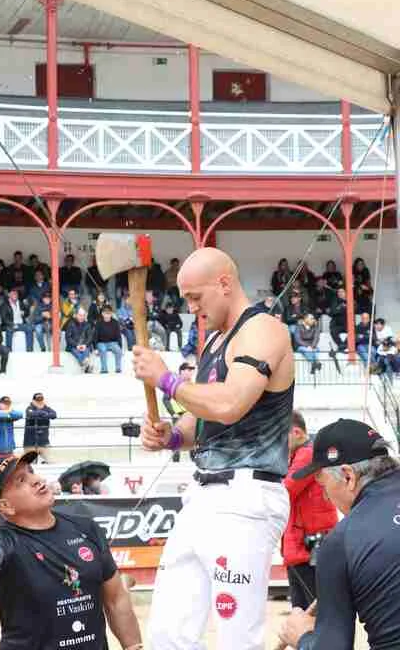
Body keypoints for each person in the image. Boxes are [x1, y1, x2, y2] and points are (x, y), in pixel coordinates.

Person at [133, 246, 294, 650]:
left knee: (237, 635)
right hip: (204, 492)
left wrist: (167, 380)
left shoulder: (263, 329)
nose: (192, 309)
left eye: (194, 297)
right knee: (168, 632)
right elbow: (202, 420)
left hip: (246, 494)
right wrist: (171, 437)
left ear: (224, 283)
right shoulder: (216, 342)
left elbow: (229, 403)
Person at [0, 434, 142, 650]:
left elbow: (116, 599)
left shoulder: (86, 528)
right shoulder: (6, 544)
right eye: (21, 481)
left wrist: (134, 647)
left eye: (31, 472)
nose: (36, 480)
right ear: (6, 506)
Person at [279, 419, 400, 650]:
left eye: (323, 486)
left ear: (348, 476)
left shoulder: (342, 541)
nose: (326, 497)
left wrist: (303, 637)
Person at [282, 412, 337, 610]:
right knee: (306, 608)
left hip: (306, 546)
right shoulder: (306, 453)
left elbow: (285, 490)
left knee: (310, 610)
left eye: (281, 436)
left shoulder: (306, 455)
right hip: (306, 543)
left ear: (296, 432)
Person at [162, 362, 195, 463]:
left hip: (191, 415)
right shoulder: (175, 383)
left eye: (192, 370)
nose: (191, 372)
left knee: (193, 436)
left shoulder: (193, 385)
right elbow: (165, 399)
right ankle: (175, 461)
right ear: (182, 371)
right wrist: (172, 412)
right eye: (188, 370)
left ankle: (193, 460)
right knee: (177, 436)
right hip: (178, 415)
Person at [23, 392, 57, 462]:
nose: (40, 401)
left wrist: (42, 413)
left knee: (51, 462)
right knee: (29, 464)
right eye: (37, 399)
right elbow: (31, 414)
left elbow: (54, 415)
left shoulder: (47, 408)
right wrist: (43, 413)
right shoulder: (29, 408)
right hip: (30, 443)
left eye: (41, 399)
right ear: (33, 401)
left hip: (43, 442)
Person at [0, 396, 23, 461]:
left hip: (9, 449)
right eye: (4, 404)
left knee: (9, 466)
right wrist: (8, 412)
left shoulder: (10, 414)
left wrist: (8, 412)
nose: (6, 406)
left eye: (8, 404)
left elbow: (20, 414)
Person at [94, 305, 123, 374]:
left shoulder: (115, 322)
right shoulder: (98, 323)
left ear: (111, 313)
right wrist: (95, 348)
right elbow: (95, 336)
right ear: (102, 314)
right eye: (105, 313)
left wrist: (120, 347)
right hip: (101, 343)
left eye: (109, 313)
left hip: (112, 342)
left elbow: (118, 335)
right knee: (103, 350)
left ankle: (118, 368)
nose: (107, 315)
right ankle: (104, 369)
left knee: (118, 350)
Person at [329, 287, 347, 352]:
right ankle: (341, 345)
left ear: (346, 293)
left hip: (347, 324)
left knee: (354, 332)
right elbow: (333, 312)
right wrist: (341, 306)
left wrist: (339, 309)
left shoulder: (350, 300)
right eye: (339, 292)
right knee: (333, 331)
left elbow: (355, 309)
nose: (340, 293)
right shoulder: (335, 301)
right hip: (337, 324)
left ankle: (344, 345)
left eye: (342, 292)